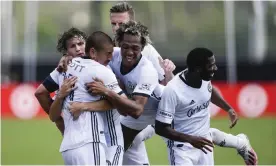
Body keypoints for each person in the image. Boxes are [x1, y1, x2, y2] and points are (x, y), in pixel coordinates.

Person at [107, 2, 258, 166]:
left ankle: (240, 143)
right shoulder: (112, 51)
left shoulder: (147, 53)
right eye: (113, 24)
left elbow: (172, 84)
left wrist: (168, 71)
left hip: (159, 108)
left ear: (132, 24)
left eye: (121, 23)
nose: (116, 28)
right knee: (119, 142)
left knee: (197, 137)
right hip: (140, 110)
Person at [44, 31, 138, 165]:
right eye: (108, 54)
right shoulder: (101, 71)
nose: (111, 57)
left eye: (81, 44)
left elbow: (51, 113)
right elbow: (125, 107)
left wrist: (76, 104)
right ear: (93, 52)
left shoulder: (65, 69)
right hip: (92, 142)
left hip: (68, 148)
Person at [155, 48, 257, 165]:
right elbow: (160, 128)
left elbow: (209, 91)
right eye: (211, 66)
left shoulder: (204, 78)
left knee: (209, 134)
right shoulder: (173, 90)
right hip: (181, 149)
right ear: (198, 69)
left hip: (205, 146)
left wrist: (228, 108)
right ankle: (239, 142)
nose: (215, 68)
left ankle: (240, 142)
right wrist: (191, 139)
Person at [35, 28, 87, 135]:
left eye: (81, 44)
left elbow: (40, 93)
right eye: (73, 46)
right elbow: (40, 93)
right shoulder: (64, 68)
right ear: (66, 51)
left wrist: (59, 121)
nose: (78, 49)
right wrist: (58, 119)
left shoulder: (98, 62)